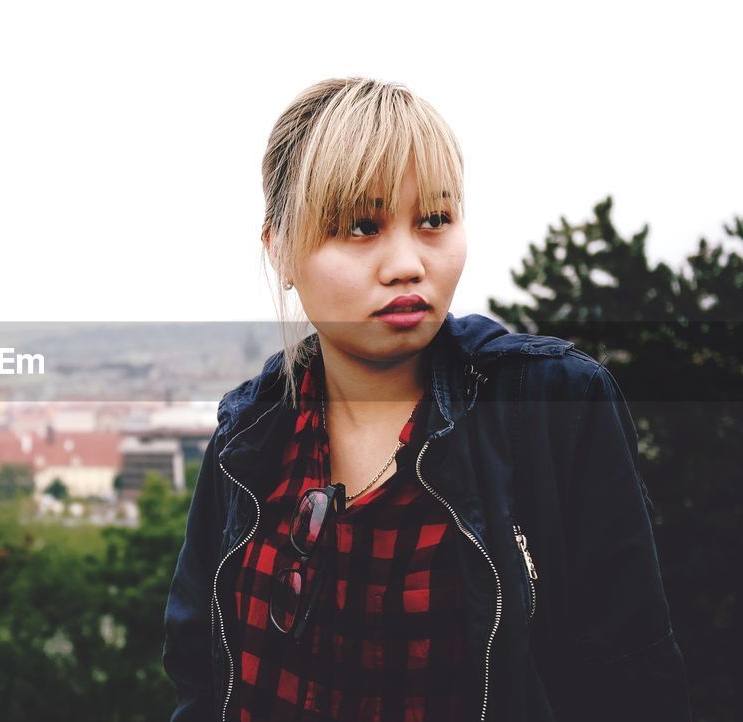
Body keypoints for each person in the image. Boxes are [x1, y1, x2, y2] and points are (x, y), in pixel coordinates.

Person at [162, 77, 690, 722]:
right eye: (361, 226)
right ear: (279, 251)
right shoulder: (247, 439)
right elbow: (200, 678)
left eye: (434, 220)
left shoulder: (548, 408)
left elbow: (631, 680)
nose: (408, 263)